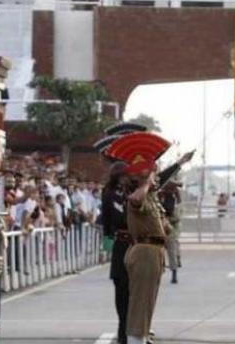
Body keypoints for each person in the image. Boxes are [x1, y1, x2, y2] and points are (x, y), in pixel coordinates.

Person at [105, 132, 173, 344]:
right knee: (138, 303)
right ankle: (134, 340)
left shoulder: (150, 195)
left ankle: (139, 338)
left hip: (153, 251)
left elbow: (165, 227)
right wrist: (147, 182)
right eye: (152, 173)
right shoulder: (134, 193)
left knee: (146, 303)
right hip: (143, 251)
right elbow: (135, 200)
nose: (155, 177)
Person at [101, 162, 131, 344]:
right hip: (120, 243)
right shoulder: (109, 193)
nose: (125, 178)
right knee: (120, 287)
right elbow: (106, 219)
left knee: (135, 290)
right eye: (123, 175)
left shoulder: (136, 191)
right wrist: (106, 240)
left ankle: (134, 328)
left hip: (136, 244)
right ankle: (122, 328)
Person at [160, 180, 184, 283]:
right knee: (160, 252)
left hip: (171, 229)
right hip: (161, 228)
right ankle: (162, 271)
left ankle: (174, 273)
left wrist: (166, 219)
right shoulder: (161, 197)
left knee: (171, 251)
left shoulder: (176, 200)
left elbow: (177, 217)